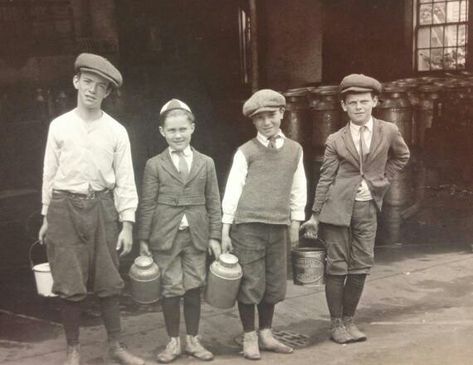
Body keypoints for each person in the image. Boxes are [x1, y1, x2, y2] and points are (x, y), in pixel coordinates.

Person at [38, 53, 144, 365]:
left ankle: (116, 346)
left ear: (107, 93)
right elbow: (49, 172)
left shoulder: (116, 131)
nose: (92, 90)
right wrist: (46, 215)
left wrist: (127, 223)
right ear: (76, 82)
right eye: (87, 82)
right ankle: (73, 351)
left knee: (109, 280)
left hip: (102, 208)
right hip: (63, 208)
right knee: (69, 283)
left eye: (100, 87)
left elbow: (125, 179)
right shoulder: (59, 126)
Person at [301, 74, 410, 344]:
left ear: (375, 101)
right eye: (352, 102)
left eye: (364, 101)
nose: (358, 107)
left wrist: (380, 181)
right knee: (337, 267)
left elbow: (402, 156)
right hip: (336, 210)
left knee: (360, 266)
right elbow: (325, 177)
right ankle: (336, 324)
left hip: (367, 209)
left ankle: (350, 320)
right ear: (343, 106)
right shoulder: (335, 139)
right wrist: (315, 214)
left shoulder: (389, 131)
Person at [221, 89, 307, 360]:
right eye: (259, 118)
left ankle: (266, 334)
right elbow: (232, 191)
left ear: (282, 113)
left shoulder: (295, 150)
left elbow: (298, 187)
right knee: (250, 282)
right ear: (253, 122)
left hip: (279, 226)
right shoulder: (246, 152)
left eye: (271, 115)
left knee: (274, 282)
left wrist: (295, 222)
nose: (266, 122)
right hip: (247, 226)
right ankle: (249, 337)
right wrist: (225, 228)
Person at [137, 99, 222, 363]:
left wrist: (215, 236)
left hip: (196, 234)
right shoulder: (154, 164)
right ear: (162, 132)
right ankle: (173, 342)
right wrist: (143, 237)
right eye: (171, 130)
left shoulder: (206, 163)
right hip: (165, 235)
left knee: (194, 286)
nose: (177, 135)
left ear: (192, 128)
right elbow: (148, 203)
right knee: (171, 287)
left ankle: (193, 341)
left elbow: (214, 202)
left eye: (182, 129)